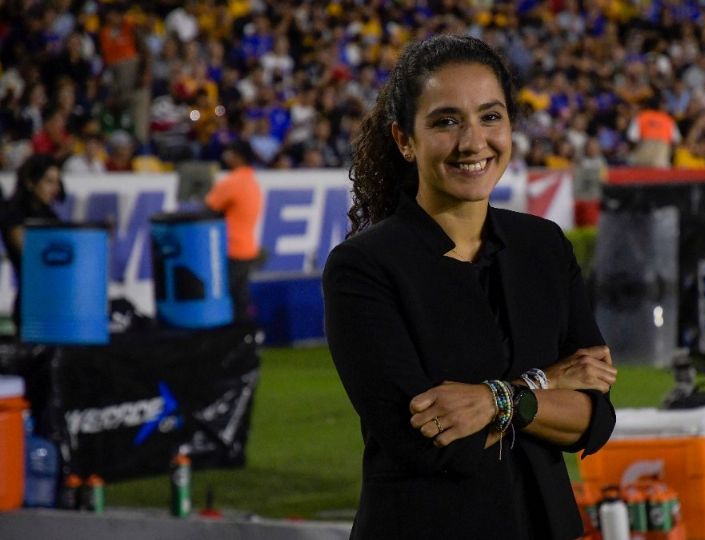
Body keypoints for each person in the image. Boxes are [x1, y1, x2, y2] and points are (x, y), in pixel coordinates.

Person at [322, 35, 618, 539]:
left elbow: (594, 418)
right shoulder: (363, 267)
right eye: (446, 121)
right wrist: (544, 384)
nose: (473, 142)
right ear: (404, 140)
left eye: (490, 116)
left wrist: (492, 402)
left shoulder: (543, 246)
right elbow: (423, 440)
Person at [0, 153, 63, 336]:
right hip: (32, 304)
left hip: (56, 303)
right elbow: (28, 254)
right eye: (48, 181)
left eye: (57, 182)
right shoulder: (15, 214)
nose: (55, 188)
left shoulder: (49, 215)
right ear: (30, 182)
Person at [205, 140, 262, 321]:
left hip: (230, 248)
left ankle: (234, 340)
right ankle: (246, 339)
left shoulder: (232, 182)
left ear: (238, 156)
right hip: (247, 248)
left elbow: (208, 208)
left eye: (230, 152)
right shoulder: (252, 182)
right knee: (241, 298)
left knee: (227, 299)